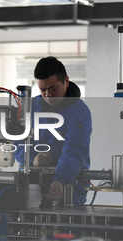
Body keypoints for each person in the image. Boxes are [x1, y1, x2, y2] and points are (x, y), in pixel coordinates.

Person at [14, 56, 92, 205]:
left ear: (66, 82)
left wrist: (60, 180)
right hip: (30, 185)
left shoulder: (79, 112)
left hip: (68, 187)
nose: (48, 94)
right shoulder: (30, 107)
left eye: (53, 89)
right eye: (42, 90)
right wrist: (32, 159)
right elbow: (16, 141)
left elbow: (74, 150)